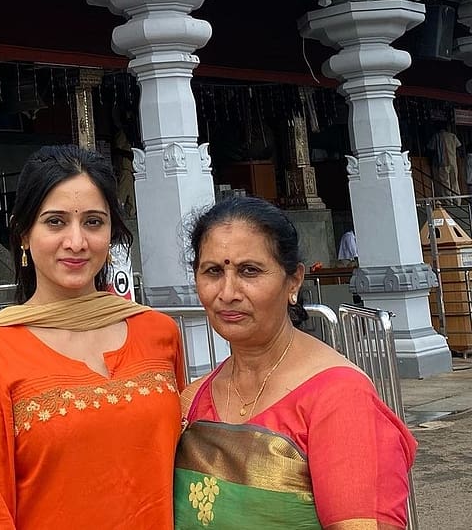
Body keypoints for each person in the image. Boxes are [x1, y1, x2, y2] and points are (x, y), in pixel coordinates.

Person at [0, 144, 185, 530]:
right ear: (24, 234)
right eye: (55, 222)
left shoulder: (158, 332)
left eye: (93, 222)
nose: (76, 242)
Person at [175, 196, 417, 529]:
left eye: (250, 271)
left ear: (294, 281)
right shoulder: (191, 401)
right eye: (213, 271)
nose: (228, 292)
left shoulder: (341, 400)